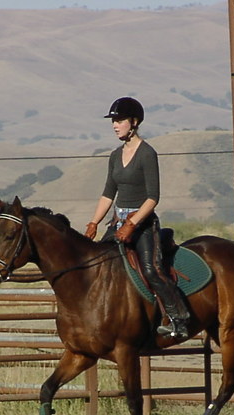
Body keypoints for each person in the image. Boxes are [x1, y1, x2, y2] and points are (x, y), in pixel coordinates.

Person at [84, 96, 190, 340]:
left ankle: (178, 318)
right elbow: (108, 194)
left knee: (151, 269)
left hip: (142, 224)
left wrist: (132, 224)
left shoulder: (147, 154)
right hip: (117, 222)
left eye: (119, 120)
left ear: (134, 122)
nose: (114, 125)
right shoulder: (114, 155)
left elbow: (153, 197)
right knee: (100, 264)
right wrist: (93, 223)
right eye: (113, 121)